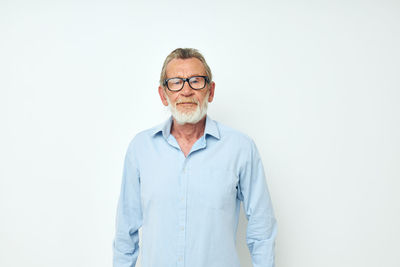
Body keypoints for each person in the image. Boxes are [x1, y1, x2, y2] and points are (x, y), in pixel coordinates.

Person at [113, 48, 277, 267]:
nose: (186, 90)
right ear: (163, 94)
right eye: (176, 82)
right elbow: (126, 234)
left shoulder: (240, 148)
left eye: (196, 81)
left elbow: (262, 231)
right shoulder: (140, 149)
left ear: (210, 91)